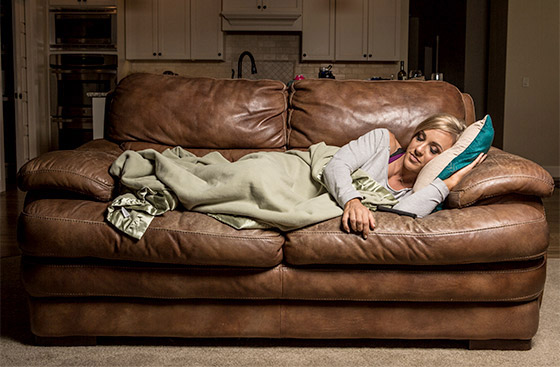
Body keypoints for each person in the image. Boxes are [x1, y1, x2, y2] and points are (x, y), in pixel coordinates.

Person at [323, 113, 486, 239]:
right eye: (419, 138)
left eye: (433, 150)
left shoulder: (418, 193)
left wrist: (449, 183)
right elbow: (335, 166)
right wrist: (352, 201)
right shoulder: (381, 140)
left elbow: (396, 220)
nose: (419, 149)